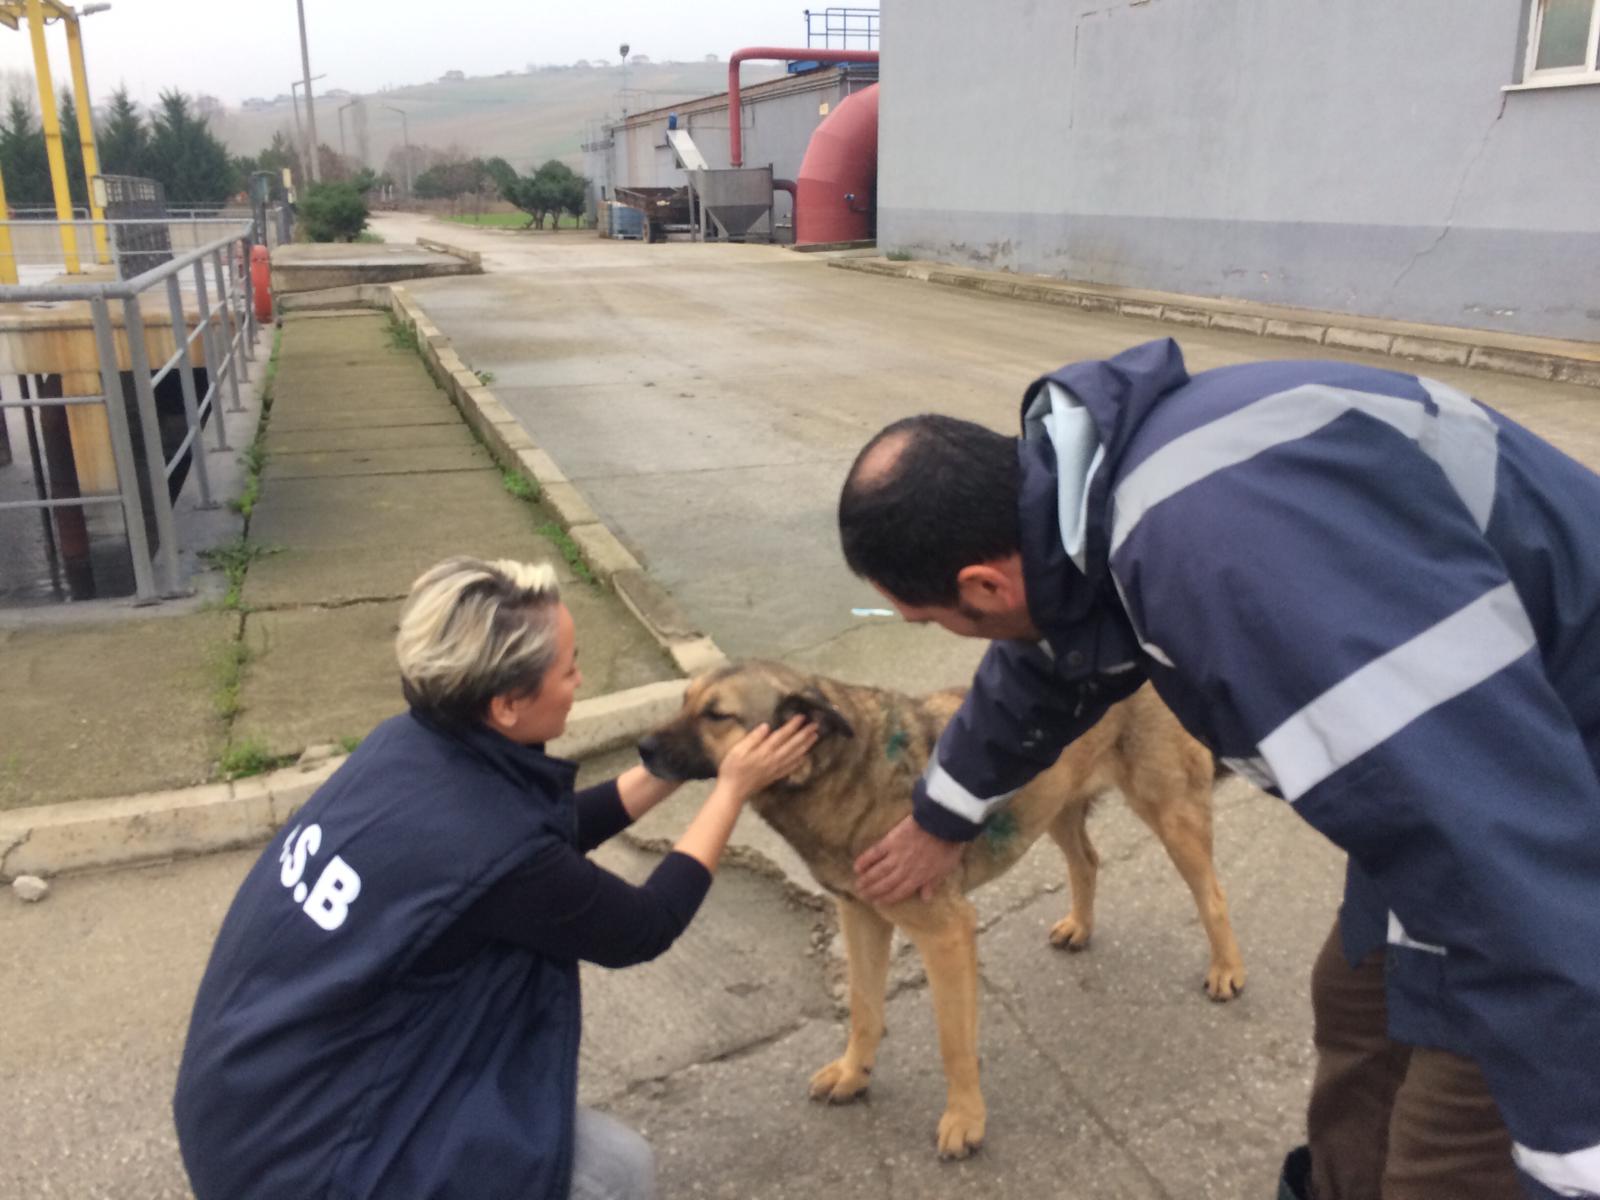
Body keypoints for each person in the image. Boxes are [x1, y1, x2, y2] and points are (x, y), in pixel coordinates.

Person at [835, 339, 1600, 1200]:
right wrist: (942, 817)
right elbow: (1048, 660)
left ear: (981, 586)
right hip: (1487, 772)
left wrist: (1574, 1150)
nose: (950, 638)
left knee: (1456, 1149)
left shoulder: (1228, 564)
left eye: (934, 621)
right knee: (1356, 1004)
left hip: (1556, 800)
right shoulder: (1089, 505)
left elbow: (1492, 839)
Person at [172, 556, 817, 1200]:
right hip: (303, 1167)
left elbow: (542, 832)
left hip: (243, 1110)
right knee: (614, 1173)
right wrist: (731, 791)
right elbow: (641, 927)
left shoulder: (406, 749)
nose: (580, 678)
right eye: (568, 669)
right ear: (508, 703)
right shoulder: (490, 845)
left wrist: (679, 762)